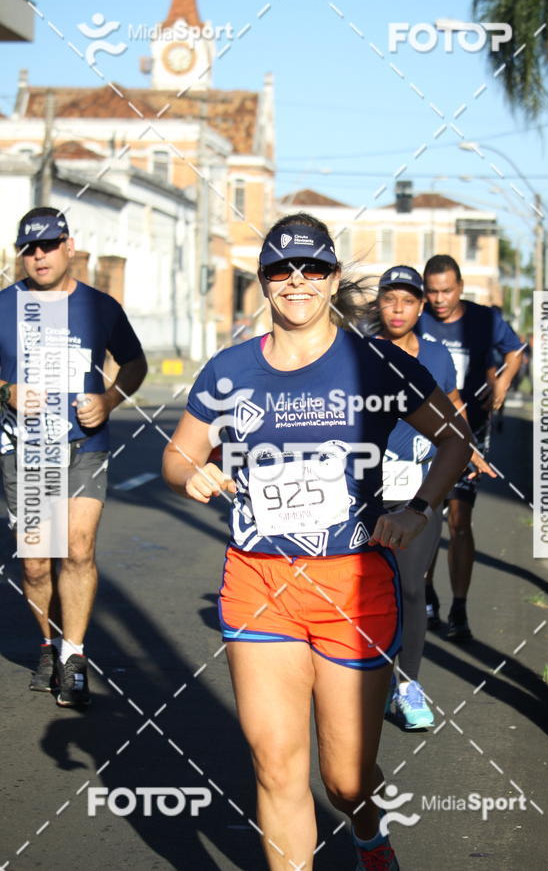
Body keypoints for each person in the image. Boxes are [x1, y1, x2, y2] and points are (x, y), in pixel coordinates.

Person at [163, 213, 471, 871]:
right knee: (276, 771)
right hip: (258, 583)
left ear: (332, 278)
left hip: (352, 586)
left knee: (346, 781)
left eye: (311, 269)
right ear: (263, 281)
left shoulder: (378, 363)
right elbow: (177, 457)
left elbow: (454, 440)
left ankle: (367, 832)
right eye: (281, 269)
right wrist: (197, 471)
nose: (296, 280)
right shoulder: (229, 370)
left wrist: (419, 509)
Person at [0, 206, 147, 707]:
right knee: (38, 566)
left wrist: (108, 400)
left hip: (86, 446)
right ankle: (47, 643)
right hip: (26, 448)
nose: (38, 256)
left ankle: (74, 655)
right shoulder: (3, 306)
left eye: (47, 245)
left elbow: (134, 361)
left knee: (78, 549)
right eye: (29, 249)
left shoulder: (100, 307)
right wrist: (7, 391)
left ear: (68, 246)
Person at [374, 266, 493, 730]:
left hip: (417, 491)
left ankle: (407, 685)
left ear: (422, 306)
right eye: (389, 299)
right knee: (363, 591)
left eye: (408, 300)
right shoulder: (360, 353)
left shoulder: (439, 356)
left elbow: (454, 403)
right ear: (379, 304)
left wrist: (468, 447)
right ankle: (365, 680)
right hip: (364, 490)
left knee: (409, 588)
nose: (398, 308)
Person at [417, 255, 521, 640]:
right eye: (432, 291)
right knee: (427, 518)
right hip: (423, 433)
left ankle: (459, 608)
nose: (439, 299)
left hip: (470, 430)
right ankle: (426, 598)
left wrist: (505, 381)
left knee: (460, 521)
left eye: (446, 291)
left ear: (460, 287)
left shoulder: (484, 319)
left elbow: (514, 351)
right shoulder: (416, 317)